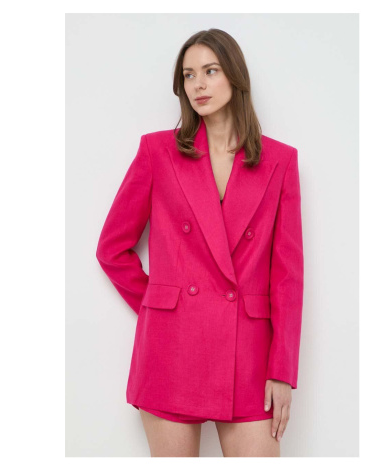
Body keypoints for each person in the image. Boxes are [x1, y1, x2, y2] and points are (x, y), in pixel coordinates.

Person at [95, 28, 304, 457]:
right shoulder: (158, 152)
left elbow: (288, 276)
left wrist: (282, 371)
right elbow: (112, 248)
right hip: (170, 351)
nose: (198, 85)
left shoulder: (280, 160)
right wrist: (162, 308)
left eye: (210, 71)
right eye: (189, 75)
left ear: (235, 76)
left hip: (249, 354)